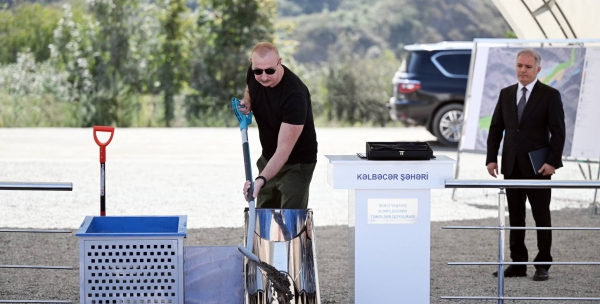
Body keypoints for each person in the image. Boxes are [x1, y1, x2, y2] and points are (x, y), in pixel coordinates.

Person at [486, 48, 565, 281]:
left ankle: (543, 265)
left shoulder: (550, 95)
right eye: (520, 65)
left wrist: (552, 162)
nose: (523, 70)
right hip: (511, 166)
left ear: (538, 69)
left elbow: (558, 132)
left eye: (528, 67)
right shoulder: (505, 93)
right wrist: (491, 158)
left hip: (539, 168)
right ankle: (518, 264)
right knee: (516, 218)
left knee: (542, 216)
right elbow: (495, 129)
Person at [239, 42, 318, 209]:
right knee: (264, 214)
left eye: (270, 71)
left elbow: (283, 151)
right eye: (258, 71)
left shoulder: (294, 95)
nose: (264, 76)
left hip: (296, 163)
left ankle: (300, 232)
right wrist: (247, 101)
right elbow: (249, 88)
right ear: (252, 63)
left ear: (279, 62)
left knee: (290, 219)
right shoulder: (255, 74)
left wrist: (260, 179)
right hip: (268, 158)